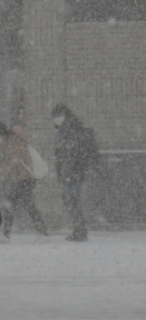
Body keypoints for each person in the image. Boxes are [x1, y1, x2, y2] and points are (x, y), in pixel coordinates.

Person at [0, 122, 49, 242]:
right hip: (21, 178)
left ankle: (41, 231)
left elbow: (14, 161)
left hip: (24, 178)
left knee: (20, 204)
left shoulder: (12, 141)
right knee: (21, 204)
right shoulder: (10, 141)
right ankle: (7, 234)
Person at [52, 103, 98, 242]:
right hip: (73, 173)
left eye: (57, 116)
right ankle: (79, 229)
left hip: (72, 173)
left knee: (71, 201)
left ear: (63, 115)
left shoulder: (69, 130)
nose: (55, 119)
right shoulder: (68, 129)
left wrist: (67, 173)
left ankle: (80, 230)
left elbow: (70, 154)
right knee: (71, 201)